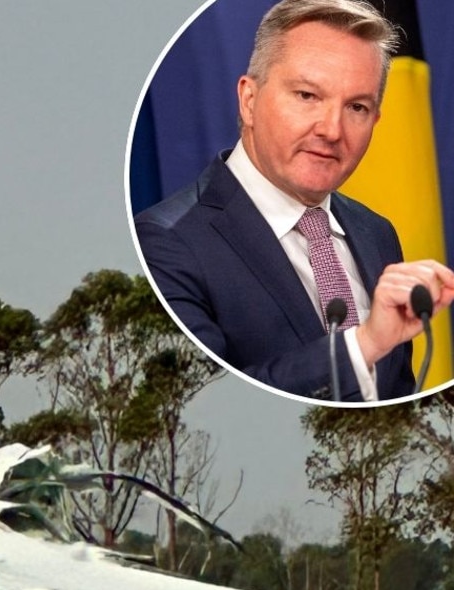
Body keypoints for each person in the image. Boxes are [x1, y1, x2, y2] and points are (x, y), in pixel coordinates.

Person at [133, 0, 454, 402]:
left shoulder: (376, 233)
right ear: (249, 100)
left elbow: (395, 397)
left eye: (357, 107)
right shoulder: (165, 242)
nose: (332, 130)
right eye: (307, 96)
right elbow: (205, 405)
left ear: (375, 120)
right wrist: (363, 344)